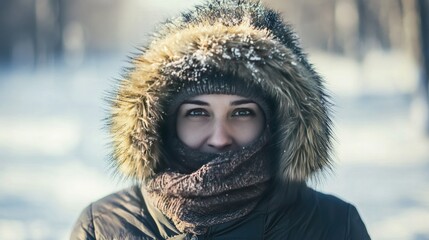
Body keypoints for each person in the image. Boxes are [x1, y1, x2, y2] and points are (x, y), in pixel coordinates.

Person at [71, 0, 371, 239]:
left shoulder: (333, 226)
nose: (219, 137)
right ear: (161, 121)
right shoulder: (103, 226)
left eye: (242, 113)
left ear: (278, 121)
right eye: (197, 113)